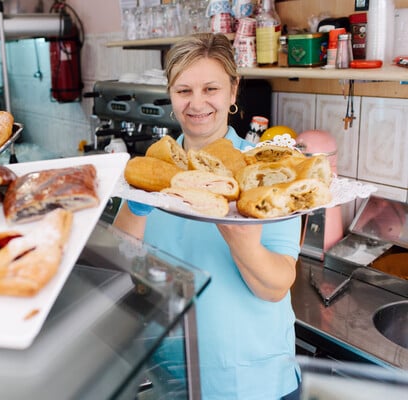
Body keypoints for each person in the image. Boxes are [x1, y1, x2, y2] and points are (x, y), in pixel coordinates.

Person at [113, 33, 302, 400]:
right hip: (171, 374)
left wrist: (241, 239)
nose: (196, 103)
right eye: (183, 90)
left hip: (251, 382)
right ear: (170, 95)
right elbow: (122, 265)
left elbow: (276, 285)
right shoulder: (152, 170)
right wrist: (137, 204)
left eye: (210, 88)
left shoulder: (264, 171)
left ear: (233, 91)